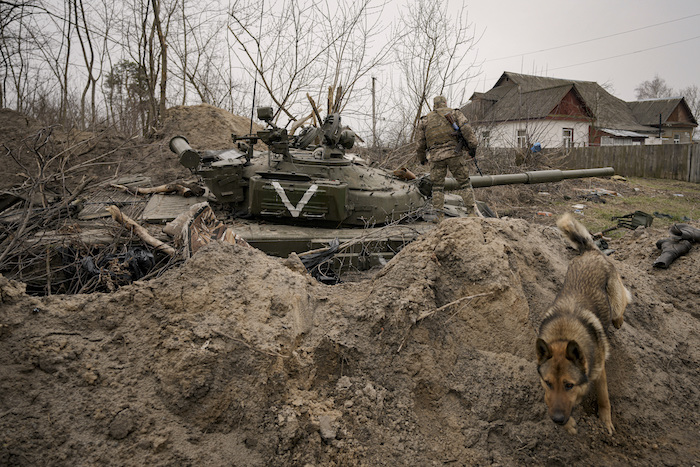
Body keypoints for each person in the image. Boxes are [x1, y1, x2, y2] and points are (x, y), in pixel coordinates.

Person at [416, 95, 480, 221]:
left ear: (434, 105)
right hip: (454, 154)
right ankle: (471, 212)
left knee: (437, 187)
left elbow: (420, 143)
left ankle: (439, 215)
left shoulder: (425, 120)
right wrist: (472, 146)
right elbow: (466, 129)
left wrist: (422, 158)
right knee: (465, 183)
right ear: (445, 103)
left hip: (436, 157)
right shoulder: (455, 113)